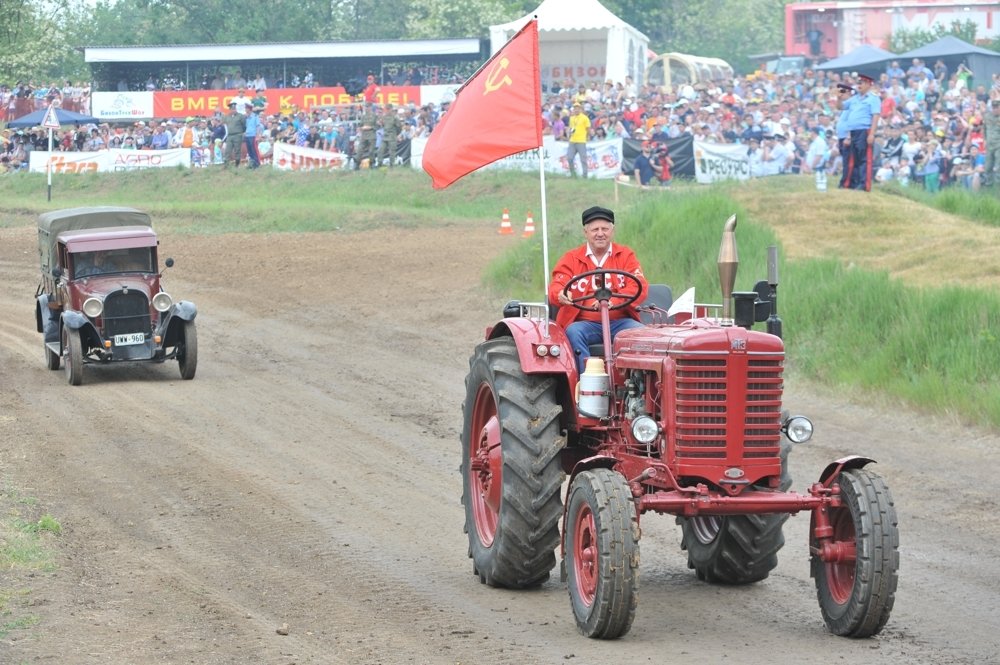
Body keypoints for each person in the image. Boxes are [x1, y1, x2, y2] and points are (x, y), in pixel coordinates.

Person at [548, 206, 648, 375]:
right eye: (595, 229)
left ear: (612, 231)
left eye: (605, 229)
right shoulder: (571, 258)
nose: (600, 233)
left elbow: (639, 286)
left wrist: (613, 302)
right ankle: (587, 383)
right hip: (585, 324)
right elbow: (557, 284)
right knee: (573, 332)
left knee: (642, 334)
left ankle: (636, 386)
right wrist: (561, 294)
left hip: (620, 322)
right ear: (585, 232)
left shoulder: (626, 256)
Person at [838, 74, 880, 191]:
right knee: (854, 158)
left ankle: (864, 184)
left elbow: (875, 116)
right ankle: (854, 183)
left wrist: (871, 133)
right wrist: (839, 98)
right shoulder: (855, 98)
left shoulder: (873, 98)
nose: (859, 85)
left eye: (861, 83)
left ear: (868, 84)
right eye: (858, 83)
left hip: (864, 130)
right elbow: (840, 107)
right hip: (853, 131)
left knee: (864, 159)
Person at [565, 102, 591, 178]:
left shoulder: (584, 118)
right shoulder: (572, 118)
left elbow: (588, 128)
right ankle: (573, 174)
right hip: (572, 140)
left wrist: (587, 136)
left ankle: (585, 175)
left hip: (581, 141)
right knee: (569, 158)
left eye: (577, 108)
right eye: (575, 108)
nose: (576, 110)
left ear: (580, 109)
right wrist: (569, 135)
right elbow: (571, 128)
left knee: (583, 159)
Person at [222, 101, 246, 167]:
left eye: (234, 109)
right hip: (229, 136)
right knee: (228, 150)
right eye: (232, 109)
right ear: (229, 110)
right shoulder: (227, 117)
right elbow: (224, 124)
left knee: (237, 150)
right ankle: (226, 164)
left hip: (238, 135)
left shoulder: (240, 116)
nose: (233, 110)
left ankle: (237, 164)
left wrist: (241, 132)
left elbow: (244, 126)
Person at [377, 103, 401, 167]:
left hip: (392, 137)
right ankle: (380, 164)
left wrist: (395, 134)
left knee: (392, 152)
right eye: (386, 109)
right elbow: (383, 125)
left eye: (388, 109)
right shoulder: (384, 117)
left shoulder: (395, 118)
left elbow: (399, 128)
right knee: (380, 150)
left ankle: (391, 166)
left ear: (391, 109)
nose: (387, 110)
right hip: (385, 137)